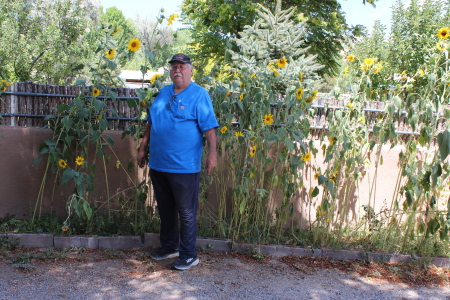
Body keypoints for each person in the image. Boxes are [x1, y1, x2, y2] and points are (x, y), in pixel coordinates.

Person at [137, 53, 218, 270]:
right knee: (165, 209)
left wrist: (212, 154)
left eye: (182, 66)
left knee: (186, 211)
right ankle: (170, 246)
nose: (177, 70)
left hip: (184, 167)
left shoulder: (200, 95)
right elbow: (151, 122)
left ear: (191, 70)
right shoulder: (163, 93)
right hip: (159, 164)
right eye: (174, 67)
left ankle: (189, 254)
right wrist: (142, 148)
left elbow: (209, 128)